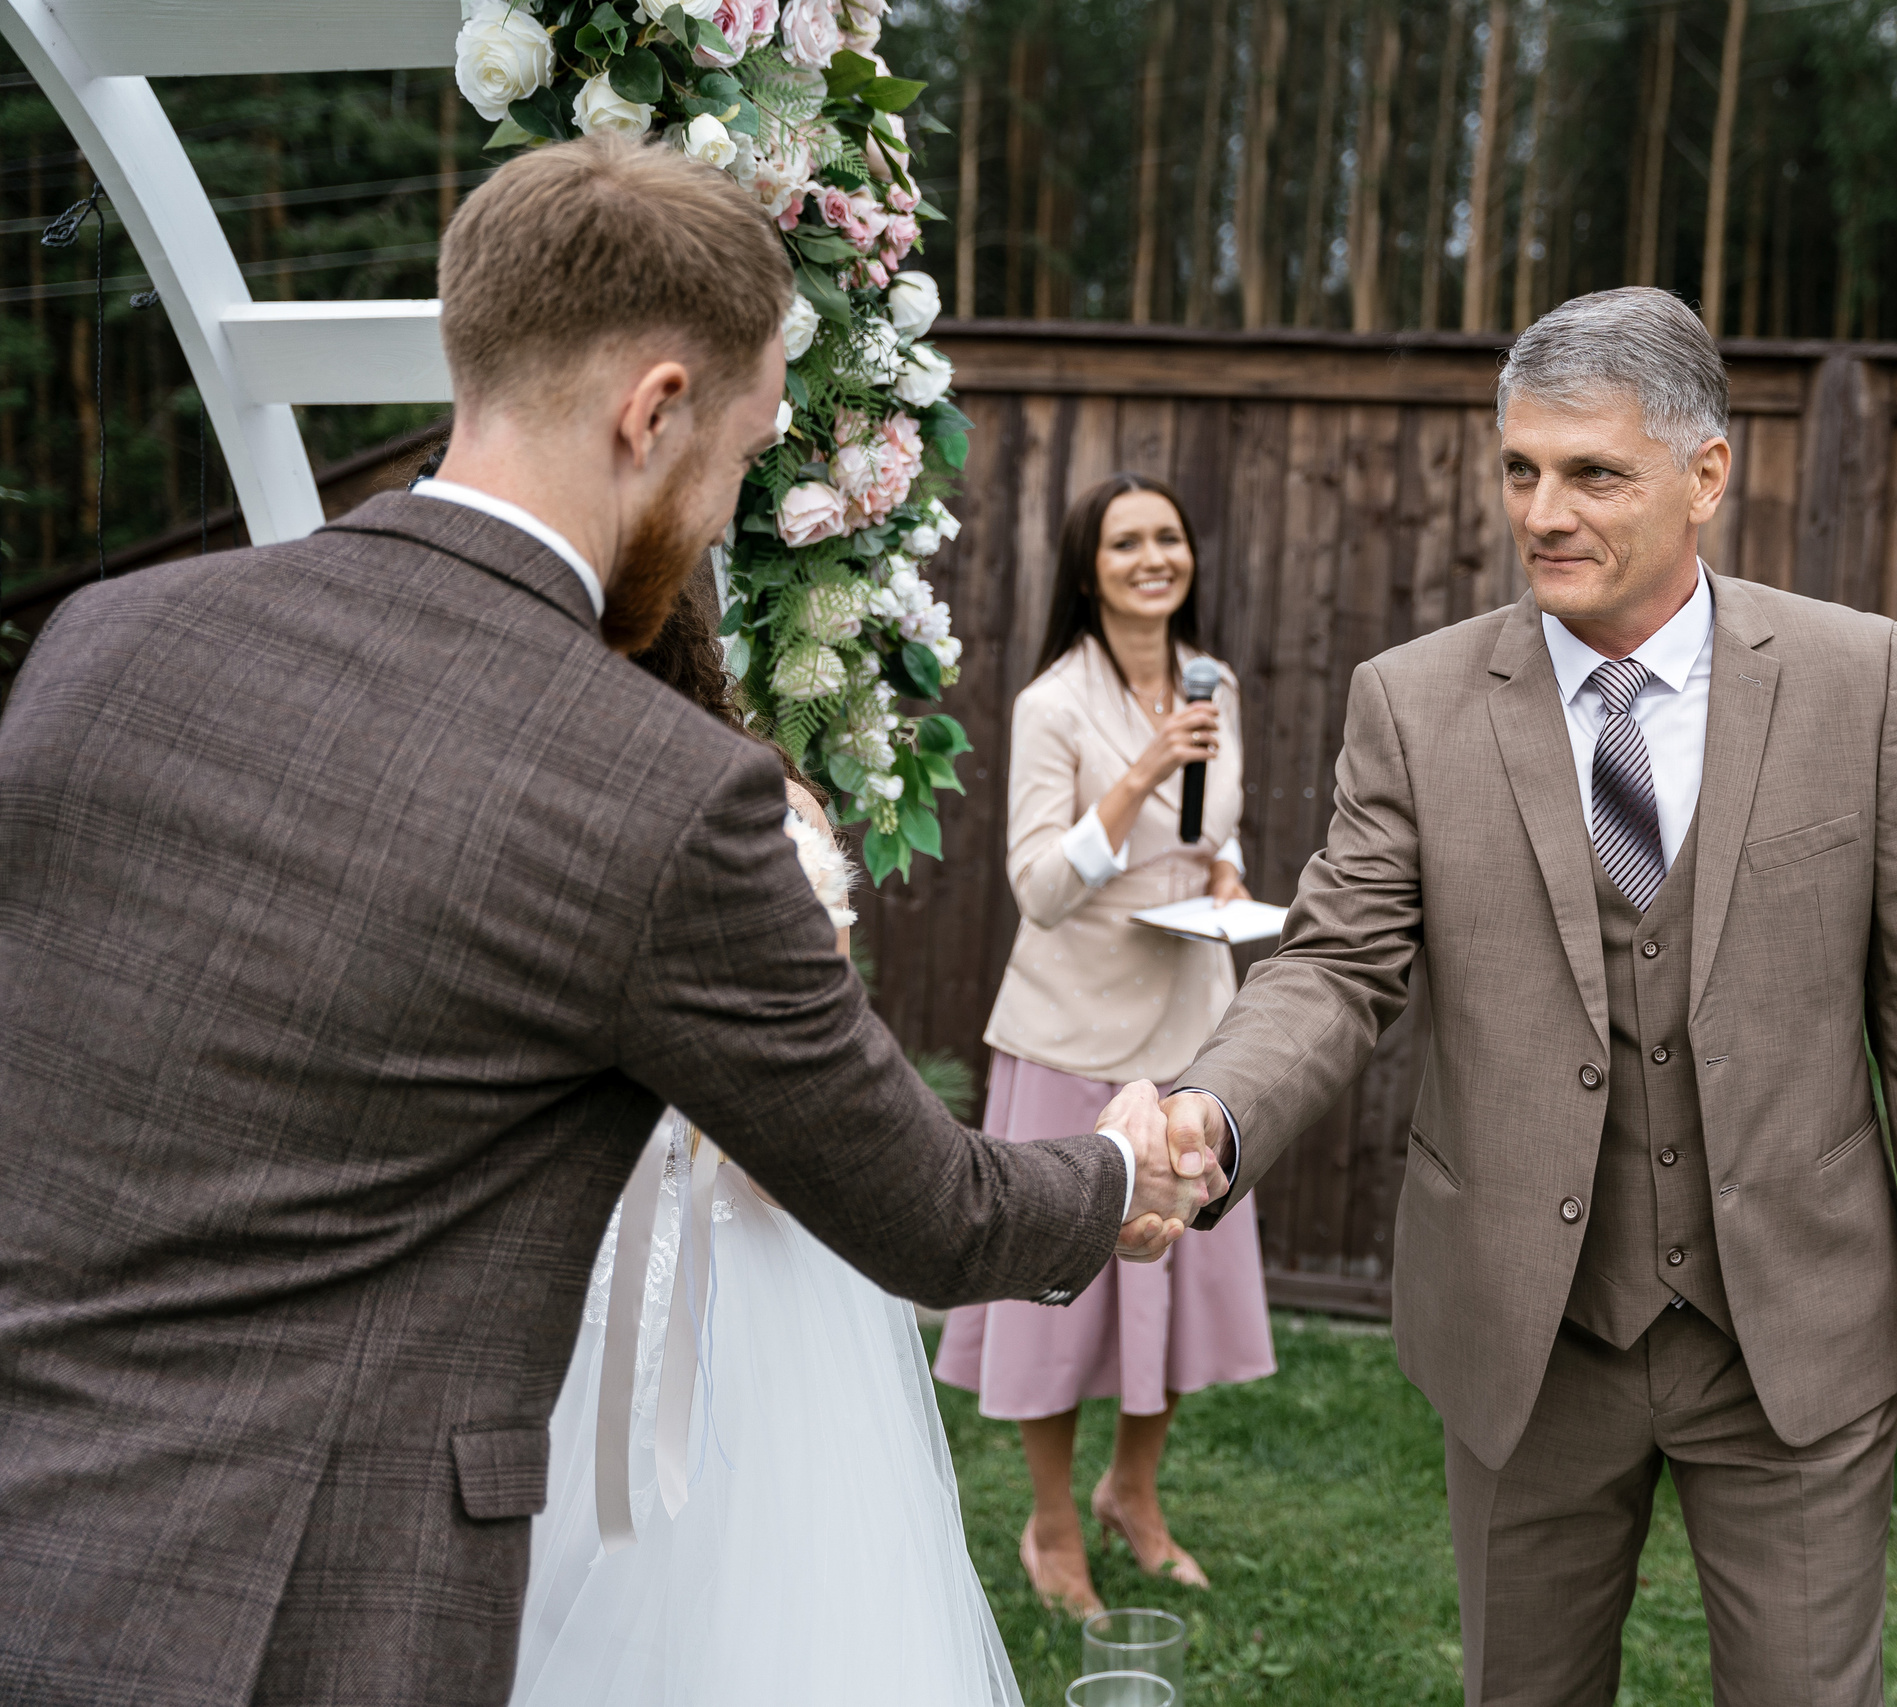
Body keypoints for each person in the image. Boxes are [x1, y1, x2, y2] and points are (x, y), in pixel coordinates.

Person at [0, 135, 1214, 1707]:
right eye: (741, 452)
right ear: (654, 411)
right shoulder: (662, 793)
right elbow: (925, 1206)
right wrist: (1122, 1165)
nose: (722, 514)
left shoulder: (101, 638)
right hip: (303, 1621)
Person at [1158, 287, 1897, 1706]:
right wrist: (1212, 1105)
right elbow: (1333, 964)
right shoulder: (1416, 701)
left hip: (1795, 1338)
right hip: (1530, 1334)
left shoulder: (1853, 678)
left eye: (1592, 472)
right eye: (1521, 468)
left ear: (1707, 474)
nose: (1542, 511)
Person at [507, 572, 1022, 1706]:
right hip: (562, 1254)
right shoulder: (517, 786)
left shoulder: (764, 813)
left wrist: (707, 1134)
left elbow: (814, 1090)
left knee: (753, 1596)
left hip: (735, 1261)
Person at [936, 473, 1277, 1616]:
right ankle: (1050, 1524)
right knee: (1059, 1287)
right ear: (1089, 568)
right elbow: (1037, 888)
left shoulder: (1212, 680)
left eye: (1168, 538)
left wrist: (1222, 870)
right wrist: (1140, 770)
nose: (1152, 558)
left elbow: (1213, 827)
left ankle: (1134, 1492)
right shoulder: (1051, 704)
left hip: (1191, 1031)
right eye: (1126, 542)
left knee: (1176, 1280)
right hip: (1072, 1039)